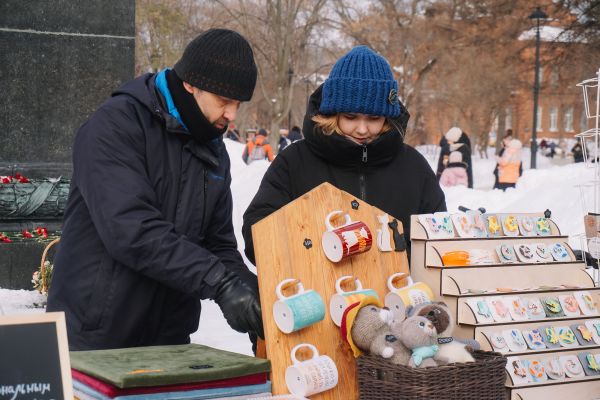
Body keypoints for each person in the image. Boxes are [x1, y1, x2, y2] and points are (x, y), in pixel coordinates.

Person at [46, 29, 263, 350]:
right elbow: (131, 230)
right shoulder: (115, 126)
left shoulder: (214, 151)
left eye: (238, 104)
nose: (232, 115)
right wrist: (220, 283)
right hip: (94, 334)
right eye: (224, 101)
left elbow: (218, 244)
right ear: (191, 84)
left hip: (168, 337)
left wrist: (252, 297)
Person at [242, 46, 446, 264]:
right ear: (333, 113)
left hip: (398, 294)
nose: (362, 129)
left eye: (374, 118)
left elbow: (438, 240)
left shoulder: (413, 167)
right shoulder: (294, 162)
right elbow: (258, 236)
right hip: (316, 293)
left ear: (387, 118)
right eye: (351, 117)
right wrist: (314, 248)